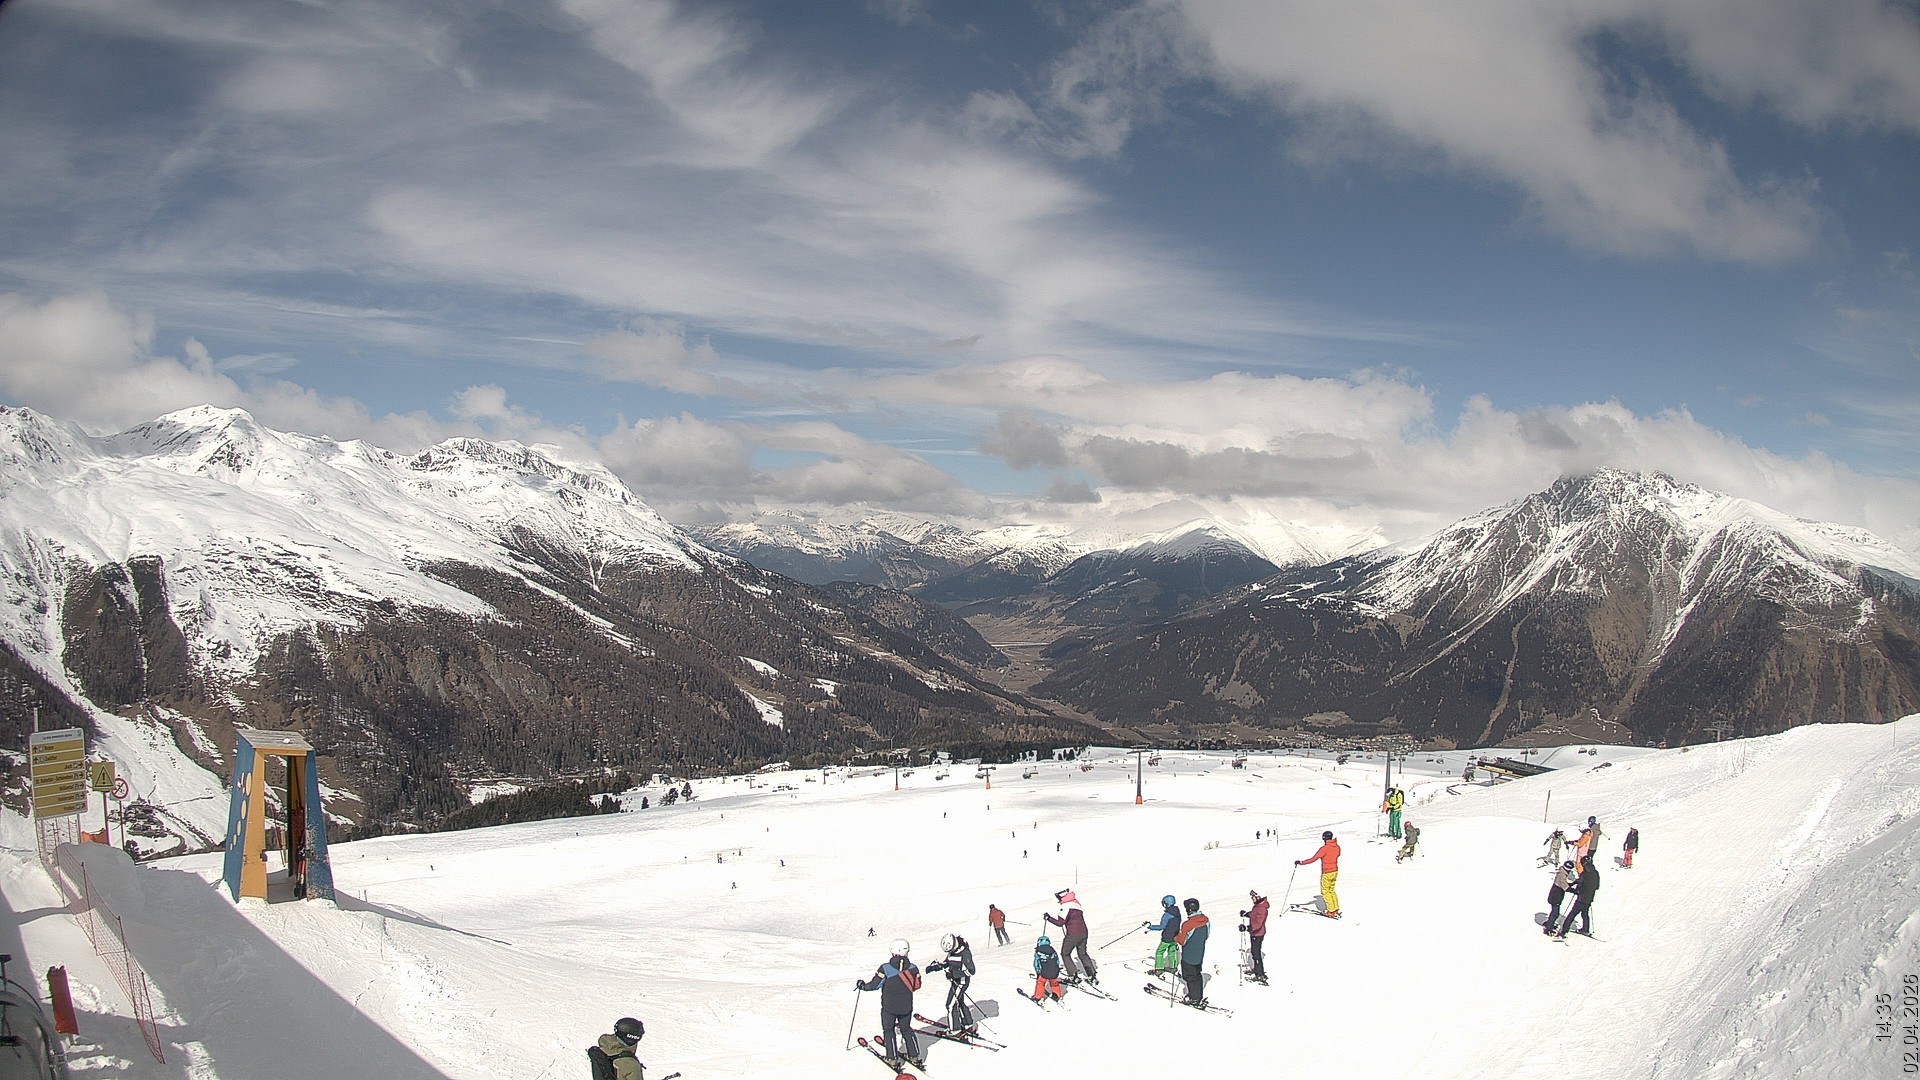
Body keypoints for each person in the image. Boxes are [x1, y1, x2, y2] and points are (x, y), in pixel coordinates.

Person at [855, 939, 922, 1068]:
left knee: (889, 1030)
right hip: (906, 1006)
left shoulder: (885, 968)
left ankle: (892, 1058)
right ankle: (914, 1056)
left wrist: (862, 986)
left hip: (889, 1007)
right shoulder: (913, 968)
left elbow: (875, 985)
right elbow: (917, 985)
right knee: (906, 1029)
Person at [1044, 889, 1098, 984]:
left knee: (1065, 953)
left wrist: (1048, 918)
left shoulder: (1066, 906)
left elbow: (1060, 923)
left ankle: (1073, 975)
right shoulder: (1076, 903)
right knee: (1082, 954)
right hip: (1083, 932)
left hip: (1073, 934)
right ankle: (1092, 975)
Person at [926, 933, 977, 1033]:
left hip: (961, 982)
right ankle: (968, 1024)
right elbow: (947, 963)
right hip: (956, 981)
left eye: (951, 950)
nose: (950, 952)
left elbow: (971, 971)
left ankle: (955, 1030)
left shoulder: (964, 953)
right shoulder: (953, 952)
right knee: (959, 1002)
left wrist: (954, 974)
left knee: (950, 1005)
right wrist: (934, 967)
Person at [1295, 830, 1342, 917]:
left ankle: (1331, 911)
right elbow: (1338, 854)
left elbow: (1313, 859)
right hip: (1335, 871)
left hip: (1327, 872)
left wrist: (1301, 862)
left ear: (1324, 838)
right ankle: (1335, 908)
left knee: (1325, 891)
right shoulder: (1337, 847)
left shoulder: (1324, 849)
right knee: (1331, 890)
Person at [1552, 857, 1600, 939]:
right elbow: (1597, 887)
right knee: (1585, 913)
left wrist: (1576, 889)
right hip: (1590, 898)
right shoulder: (1595, 873)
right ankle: (1585, 929)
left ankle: (1564, 931)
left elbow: (1580, 886)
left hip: (1581, 898)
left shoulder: (1584, 874)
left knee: (1572, 914)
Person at [1175, 897, 1210, 1005]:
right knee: (1197, 974)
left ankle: (1194, 998)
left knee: (1189, 976)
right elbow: (1206, 935)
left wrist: (1176, 937)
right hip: (1199, 953)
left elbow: (1182, 941)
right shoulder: (1205, 920)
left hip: (1189, 955)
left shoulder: (1187, 924)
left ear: (1189, 909)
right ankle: (1198, 995)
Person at [1144, 894, 1180, 975]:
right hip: (1175, 937)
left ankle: (1159, 969)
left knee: (1159, 952)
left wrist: (1150, 927)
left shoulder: (1167, 915)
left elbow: (1161, 927)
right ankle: (1173, 967)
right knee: (1171, 951)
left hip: (1167, 937)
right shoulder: (1177, 913)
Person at [1238, 890, 1269, 984]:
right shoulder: (1258, 906)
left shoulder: (1262, 908)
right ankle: (1257, 970)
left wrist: (1247, 928)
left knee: (1256, 954)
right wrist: (1246, 914)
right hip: (1255, 933)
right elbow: (1254, 914)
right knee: (1254, 952)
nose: (1252, 899)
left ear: (1258, 897)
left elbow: (1258, 923)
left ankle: (1260, 974)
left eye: (1253, 897)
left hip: (1258, 934)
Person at [1544, 859, 1577, 934]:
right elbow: (1565, 887)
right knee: (1555, 913)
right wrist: (1575, 891)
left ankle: (1549, 923)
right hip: (1556, 896)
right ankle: (1548, 928)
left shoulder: (1562, 872)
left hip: (1555, 895)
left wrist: (1573, 883)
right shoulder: (1562, 875)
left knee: (1554, 912)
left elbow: (1564, 884)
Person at [1031, 934, 1065, 1002]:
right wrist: (1057, 969)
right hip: (1054, 971)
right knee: (1054, 983)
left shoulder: (1038, 951)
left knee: (1040, 982)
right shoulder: (1052, 950)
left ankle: (1037, 997)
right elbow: (1057, 961)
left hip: (1044, 972)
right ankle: (1057, 995)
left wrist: (1038, 972)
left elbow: (1036, 963)